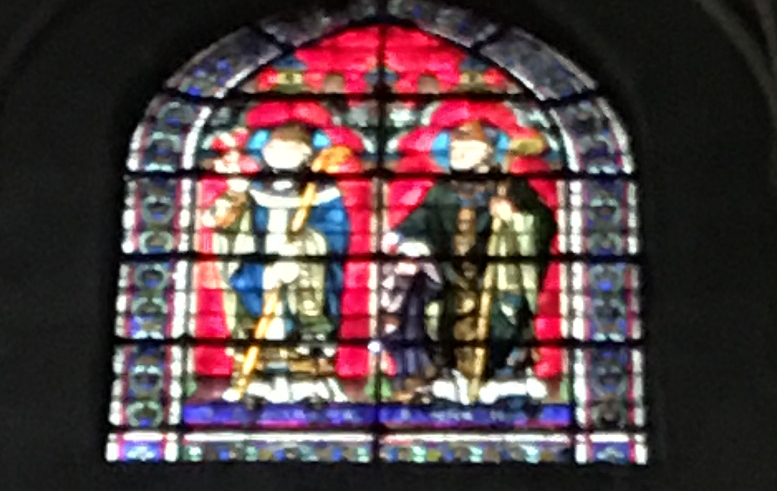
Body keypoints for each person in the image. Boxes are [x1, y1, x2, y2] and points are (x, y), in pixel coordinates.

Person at [383, 121, 554, 399]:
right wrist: (402, 238)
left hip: (496, 276)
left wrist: (514, 216)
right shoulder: (442, 191)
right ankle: (453, 374)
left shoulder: (509, 187)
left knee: (504, 318)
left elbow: (542, 222)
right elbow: (421, 221)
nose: (458, 153)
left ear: (487, 152)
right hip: (451, 275)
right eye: (454, 148)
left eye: (467, 148)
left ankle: (503, 373)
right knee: (439, 318)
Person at [210, 122, 350, 396]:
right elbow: (232, 230)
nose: (279, 153)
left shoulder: (323, 192)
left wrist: (304, 247)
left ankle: (311, 376)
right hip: (259, 272)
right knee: (255, 315)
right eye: (273, 147)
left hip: (305, 275)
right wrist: (266, 272)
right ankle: (255, 379)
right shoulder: (253, 190)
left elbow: (336, 233)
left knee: (307, 324)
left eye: (288, 148)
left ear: (305, 154)